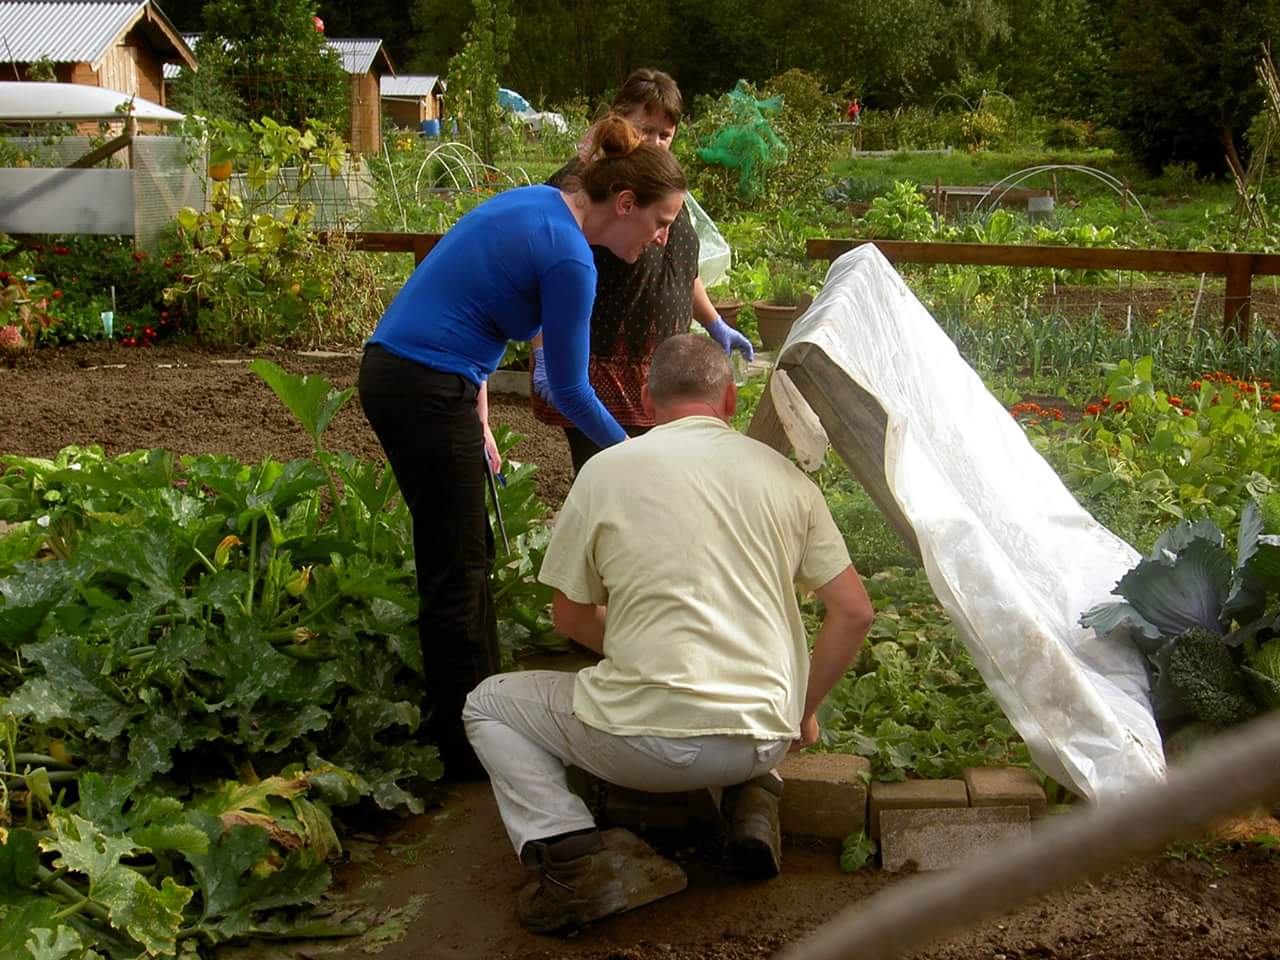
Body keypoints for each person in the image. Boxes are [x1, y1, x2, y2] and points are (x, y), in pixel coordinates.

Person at [464, 334, 875, 933]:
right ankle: (753, 803)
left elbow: (570, 618)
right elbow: (854, 612)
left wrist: (639, 647)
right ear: (730, 400)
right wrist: (802, 711)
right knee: (749, 669)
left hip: (639, 749)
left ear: (645, 402)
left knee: (488, 703)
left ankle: (571, 860)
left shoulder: (605, 472)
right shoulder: (788, 480)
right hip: (762, 739)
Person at [359, 116, 688, 780]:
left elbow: (464, 297)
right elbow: (569, 388)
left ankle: (483, 711)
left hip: (415, 375)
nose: (662, 237)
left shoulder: (539, 205)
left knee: (467, 551)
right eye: (660, 222)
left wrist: (479, 409)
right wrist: (636, 453)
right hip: (424, 385)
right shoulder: (570, 258)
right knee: (456, 568)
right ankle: (467, 749)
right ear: (625, 203)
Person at [530, 68, 755, 475]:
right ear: (618, 118)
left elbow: (681, 268)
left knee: (656, 478)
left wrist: (714, 322)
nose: (654, 143)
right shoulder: (584, 187)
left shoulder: (661, 184)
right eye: (645, 130)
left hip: (659, 371)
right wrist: (543, 351)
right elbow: (542, 274)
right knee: (611, 478)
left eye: (665, 135)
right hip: (601, 373)